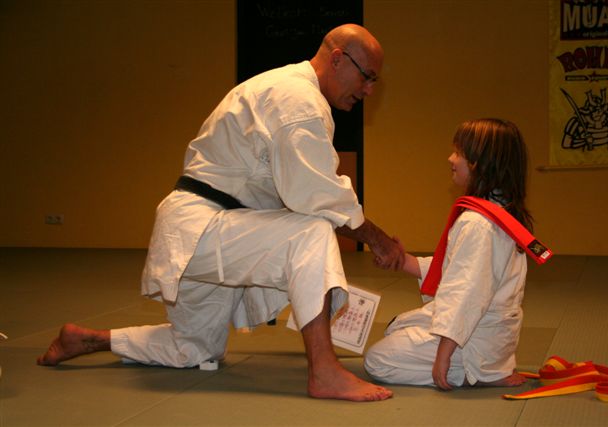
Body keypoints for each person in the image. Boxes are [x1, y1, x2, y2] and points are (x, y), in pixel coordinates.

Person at [38, 24, 402, 402]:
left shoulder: (287, 90)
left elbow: (302, 191)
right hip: (206, 225)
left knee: (194, 350)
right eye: (368, 77)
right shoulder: (299, 101)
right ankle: (324, 371)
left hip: (201, 232)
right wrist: (381, 242)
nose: (369, 90)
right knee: (311, 231)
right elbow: (319, 196)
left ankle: (89, 339)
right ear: (339, 59)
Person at [365, 118, 532, 390]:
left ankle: (471, 373)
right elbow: (456, 270)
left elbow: (466, 293)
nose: (450, 158)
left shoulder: (479, 224)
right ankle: (485, 366)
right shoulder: (498, 212)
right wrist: (403, 261)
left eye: (459, 153)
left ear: (479, 163)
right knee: (395, 328)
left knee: (378, 360)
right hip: (489, 336)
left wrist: (443, 355)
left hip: (473, 342)